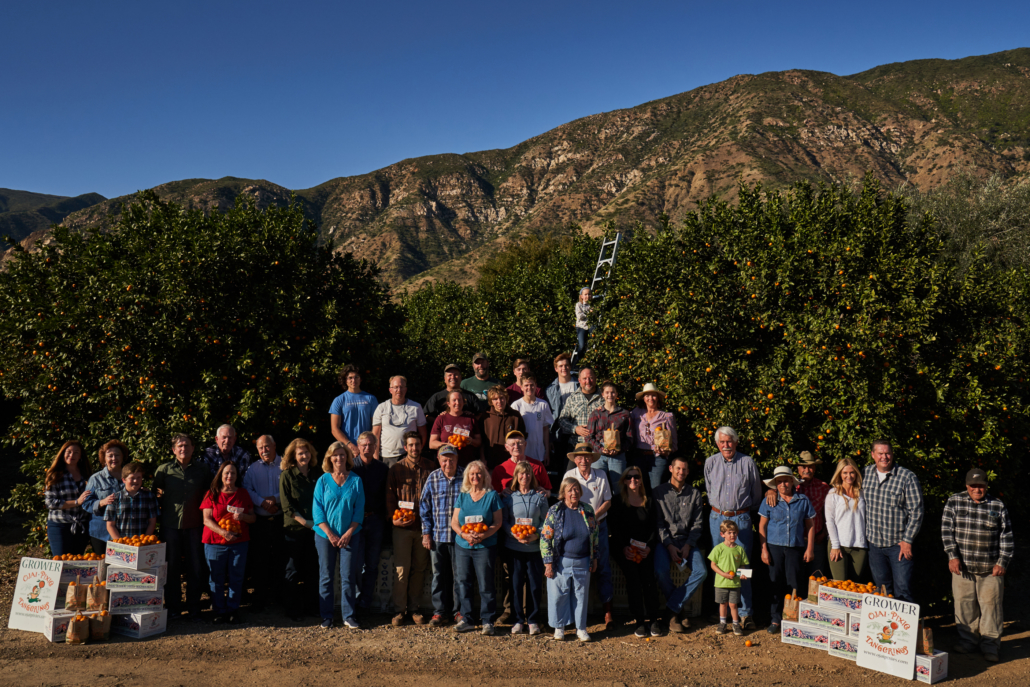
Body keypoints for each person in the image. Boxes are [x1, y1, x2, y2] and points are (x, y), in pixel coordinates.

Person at [942, 468, 1014, 662]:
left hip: (990, 569)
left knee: (991, 608)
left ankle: (990, 646)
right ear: (967, 486)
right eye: (973, 486)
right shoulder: (954, 502)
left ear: (986, 486)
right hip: (962, 568)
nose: (977, 489)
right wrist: (952, 556)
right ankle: (967, 642)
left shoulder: (997, 505)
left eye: (980, 486)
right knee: (964, 606)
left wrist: (1002, 562)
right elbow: (946, 531)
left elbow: (1006, 536)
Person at [704, 426, 761, 630]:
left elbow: (756, 493)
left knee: (743, 567)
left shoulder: (747, 462)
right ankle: (723, 613)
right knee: (718, 563)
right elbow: (709, 488)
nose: (726, 445)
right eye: (722, 442)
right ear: (717, 444)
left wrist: (744, 512)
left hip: (741, 518)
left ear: (736, 442)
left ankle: (745, 613)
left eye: (729, 441)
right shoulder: (710, 462)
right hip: (717, 518)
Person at [154, 434, 210, 621]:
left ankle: (194, 607)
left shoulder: (202, 470)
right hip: (170, 526)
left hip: (195, 525)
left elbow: (210, 495)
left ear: (193, 448)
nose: (183, 448)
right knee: (171, 569)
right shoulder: (164, 470)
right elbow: (155, 496)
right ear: (173, 449)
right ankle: (174, 607)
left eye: (186, 445)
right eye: (179, 446)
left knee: (195, 568)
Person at [862, 439, 924, 603]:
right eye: (880, 453)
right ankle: (885, 627)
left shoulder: (907, 477)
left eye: (887, 453)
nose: (884, 457)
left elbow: (916, 511)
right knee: (882, 591)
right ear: (873, 455)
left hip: (899, 545)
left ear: (892, 454)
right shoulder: (865, 474)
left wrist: (907, 540)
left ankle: (905, 627)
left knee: (903, 590)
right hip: (874, 545)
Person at [313, 441, 365, 630]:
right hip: (325, 536)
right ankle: (327, 616)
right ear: (329, 458)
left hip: (350, 535)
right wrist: (330, 534)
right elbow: (317, 512)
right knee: (326, 576)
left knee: (348, 576)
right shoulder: (322, 481)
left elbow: (359, 511)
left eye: (342, 454)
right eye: (335, 455)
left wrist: (349, 533)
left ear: (347, 457)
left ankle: (348, 616)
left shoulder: (356, 481)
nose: (339, 458)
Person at [758, 465, 816, 634]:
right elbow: (762, 527)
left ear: (792, 482)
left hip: (795, 547)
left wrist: (810, 548)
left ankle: (792, 618)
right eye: (780, 482)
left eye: (786, 481)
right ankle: (775, 619)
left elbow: (810, 526)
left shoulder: (803, 501)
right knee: (775, 582)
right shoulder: (769, 501)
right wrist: (764, 550)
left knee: (794, 583)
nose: (783, 484)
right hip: (774, 546)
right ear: (776, 484)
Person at [654, 456, 708, 633]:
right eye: (678, 468)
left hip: (687, 543)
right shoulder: (659, 492)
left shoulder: (694, 494)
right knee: (661, 571)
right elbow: (659, 524)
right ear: (670, 469)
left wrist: (688, 545)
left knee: (701, 572)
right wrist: (669, 545)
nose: (681, 472)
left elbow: (697, 524)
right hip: (665, 542)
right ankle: (679, 609)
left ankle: (671, 610)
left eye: (684, 469)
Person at [563, 442, 614, 628]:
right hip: (576, 529)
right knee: (575, 569)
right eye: (580, 457)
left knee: (602, 568)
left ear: (592, 459)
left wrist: (593, 516)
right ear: (575, 460)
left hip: (599, 526)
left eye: (587, 457)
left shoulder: (600, 475)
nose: (583, 460)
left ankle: (607, 611)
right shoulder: (569, 476)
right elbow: (564, 499)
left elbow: (608, 500)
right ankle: (571, 614)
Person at [541, 477, 598, 642]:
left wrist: (594, 558)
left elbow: (594, 537)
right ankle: (559, 627)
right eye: (570, 490)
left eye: (576, 489)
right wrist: (548, 563)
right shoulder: (556, 510)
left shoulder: (587, 510)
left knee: (581, 596)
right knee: (559, 595)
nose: (574, 493)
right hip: (561, 562)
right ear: (563, 493)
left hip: (583, 561)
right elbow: (545, 538)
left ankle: (581, 628)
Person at [386, 431, 435, 626]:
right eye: (411, 445)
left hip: (423, 527)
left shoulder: (431, 467)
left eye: (417, 444)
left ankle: (414, 609)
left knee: (419, 569)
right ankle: (399, 611)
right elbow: (389, 497)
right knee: (401, 569)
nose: (414, 448)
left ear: (421, 446)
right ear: (405, 447)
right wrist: (393, 519)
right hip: (402, 528)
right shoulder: (396, 468)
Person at [450, 460, 504, 635]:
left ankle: (488, 620)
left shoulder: (492, 495)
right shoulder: (463, 496)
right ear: (467, 477)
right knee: (463, 582)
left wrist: (483, 535)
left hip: (485, 545)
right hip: (463, 545)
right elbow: (454, 522)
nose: (475, 477)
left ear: (484, 476)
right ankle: (467, 618)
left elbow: (497, 522)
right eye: (472, 474)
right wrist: (464, 535)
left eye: (479, 473)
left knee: (485, 583)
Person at [610, 466, 662, 638]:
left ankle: (653, 619)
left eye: (637, 477)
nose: (633, 480)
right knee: (633, 577)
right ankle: (639, 620)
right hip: (624, 548)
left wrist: (649, 546)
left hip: (644, 548)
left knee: (648, 578)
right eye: (629, 477)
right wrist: (624, 548)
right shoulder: (617, 501)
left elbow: (654, 528)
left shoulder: (649, 501)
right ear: (624, 480)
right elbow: (615, 530)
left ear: (641, 479)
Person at [201, 461, 256, 624]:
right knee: (216, 578)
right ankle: (219, 610)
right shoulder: (212, 494)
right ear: (220, 475)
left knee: (236, 577)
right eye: (226, 473)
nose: (229, 476)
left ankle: (233, 610)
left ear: (237, 476)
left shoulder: (243, 494)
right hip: (215, 542)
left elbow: (253, 517)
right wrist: (224, 533)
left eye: (233, 473)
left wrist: (244, 517)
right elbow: (206, 519)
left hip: (239, 542)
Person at [419, 444, 464, 627]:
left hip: (460, 537)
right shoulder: (433, 478)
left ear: (457, 459)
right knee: (438, 575)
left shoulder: (466, 477)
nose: (448, 463)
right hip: (438, 536)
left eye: (451, 459)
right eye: (444, 459)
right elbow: (424, 508)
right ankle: (439, 612)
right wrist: (426, 533)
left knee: (459, 576)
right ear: (439, 460)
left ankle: (459, 612)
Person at [501, 462, 548, 635]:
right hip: (514, 547)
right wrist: (514, 535)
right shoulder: (509, 497)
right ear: (516, 476)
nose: (524, 477)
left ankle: (534, 620)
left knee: (535, 585)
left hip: (534, 548)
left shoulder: (540, 497)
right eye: (521, 473)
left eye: (528, 474)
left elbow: (546, 521)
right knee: (515, 584)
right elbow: (505, 521)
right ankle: (518, 620)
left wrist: (538, 534)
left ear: (532, 476)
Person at [279, 438, 321, 621]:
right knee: (293, 570)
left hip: (316, 529)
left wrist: (316, 524)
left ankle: (312, 607)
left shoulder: (318, 474)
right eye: (300, 453)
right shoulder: (286, 476)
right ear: (293, 456)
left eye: (306, 452)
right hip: (294, 530)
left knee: (313, 569)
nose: (304, 456)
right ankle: (293, 609)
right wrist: (306, 523)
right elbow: (287, 506)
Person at [242, 434, 283, 612]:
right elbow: (246, 489)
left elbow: (289, 489)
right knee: (260, 561)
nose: (264, 450)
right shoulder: (252, 469)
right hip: (259, 522)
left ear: (274, 446)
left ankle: (279, 597)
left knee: (280, 560)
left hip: (281, 519)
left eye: (267, 446)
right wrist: (262, 502)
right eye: (260, 448)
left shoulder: (285, 464)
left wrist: (274, 500)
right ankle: (260, 599)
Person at [351, 431, 389, 614]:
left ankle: (365, 602)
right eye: (363, 445)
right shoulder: (350, 468)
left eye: (370, 445)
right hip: (355, 522)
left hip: (376, 521)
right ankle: (356, 599)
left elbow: (387, 496)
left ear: (375, 447)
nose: (367, 448)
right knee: (357, 565)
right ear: (358, 447)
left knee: (372, 564)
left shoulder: (382, 469)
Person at [44, 440, 93, 556]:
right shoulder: (55, 475)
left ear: (80, 456)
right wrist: (77, 502)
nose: (72, 455)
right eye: (69, 452)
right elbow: (50, 503)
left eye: (76, 452)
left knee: (76, 564)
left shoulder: (87, 474)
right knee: (62, 562)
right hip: (60, 525)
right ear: (63, 453)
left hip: (81, 526)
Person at [824, 457, 868, 582]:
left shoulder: (862, 493)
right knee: (840, 585)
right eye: (845, 473)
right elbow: (830, 521)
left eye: (852, 472)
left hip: (859, 545)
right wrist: (835, 545)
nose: (849, 476)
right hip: (839, 545)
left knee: (855, 586)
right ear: (840, 474)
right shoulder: (833, 494)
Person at [586, 380, 634, 489]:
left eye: (612, 392)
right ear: (602, 394)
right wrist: (600, 449)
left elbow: (630, 438)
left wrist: (619, 449)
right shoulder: (596, 413)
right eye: (607, 392)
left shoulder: (625, 414)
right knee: (597, 486)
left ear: (617, 394)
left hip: (618, 455)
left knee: (618, 488)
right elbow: (589, 437)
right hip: (599, 455)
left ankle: (618, 506)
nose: (610, 395)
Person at [372, 375, 427, 467]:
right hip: (385, 457)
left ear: (406, 389)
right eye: (396, 387)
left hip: (408, 456)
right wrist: (375, 459)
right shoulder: (381, 408)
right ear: (390, 390)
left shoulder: (416, 407)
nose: (399, 390)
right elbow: (375, 435)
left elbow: (423, 434)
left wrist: (416, 453)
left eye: (401, 387)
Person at [83, 440, 127, 555]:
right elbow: (85, 503)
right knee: (103, 566)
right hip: (101, 532)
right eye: (110, 455)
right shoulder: (96, 479)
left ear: (123, 457)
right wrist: (101, 502)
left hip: (124, 531)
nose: (114, 458)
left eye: (117, 455)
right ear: (104, 458)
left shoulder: (129, 477)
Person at [631, 383, 677, 489]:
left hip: (658, 458)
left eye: (653, 395)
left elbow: (674, 444)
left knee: (656, 489)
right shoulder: (636, 413)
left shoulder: (666, 416)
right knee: (639, 489)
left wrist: (666, 451)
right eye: (647, 395)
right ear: (643, 398)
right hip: (639, 457)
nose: (650, 398)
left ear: (658, 398)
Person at [708, 521, 750, 636]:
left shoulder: (739, 549)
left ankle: (736, 624)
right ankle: (722, 623)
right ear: (722, 534)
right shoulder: (718, 548)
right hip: (721, 583)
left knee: (733, 604)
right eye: (729, 533)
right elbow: (713, 565)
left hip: (735, 583)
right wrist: (724, 574)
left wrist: (742, 574)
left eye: (734, 533)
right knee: (723, 604)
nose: (732, 535)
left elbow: (742, 564)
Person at [329, 364, 378, 457]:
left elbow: (376, 426)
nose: (353, 380)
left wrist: (368, 445)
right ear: (345, 380)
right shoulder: (339, 400)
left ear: (361, 379)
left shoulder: (371, 399)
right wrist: (351, 446)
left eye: (356, 377)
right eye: (350, 378)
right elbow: (334, 429)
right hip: (347, 450)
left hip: (367, 448)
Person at [557, 367, 603, 462]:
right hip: (576, 445)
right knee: (568, 475)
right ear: (579, 380)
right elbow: (562, 420)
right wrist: (575, 429)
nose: (588, 381)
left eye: (590, 378)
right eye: (584, 379)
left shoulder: (603, 398)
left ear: (595, 379)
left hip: (598, 447)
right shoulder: (572, 398)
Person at [104, 462, 158, 539]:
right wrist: (120, 542)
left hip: (141, 543)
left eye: (138, 477)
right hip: (121, 543)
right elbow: (110, 525)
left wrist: (145, 540)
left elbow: (152, 522)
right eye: (132, 478)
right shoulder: (115, 498)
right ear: (124, 480)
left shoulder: (149, 497)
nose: (136, 481)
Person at [478, 385, 526, 471]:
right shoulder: (485, 417)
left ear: (506, 398)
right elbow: (482, 442)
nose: (499, 401)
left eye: (502, 398)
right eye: (495, 399)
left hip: (511, 464)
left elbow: (522, 440)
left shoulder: (515, 416)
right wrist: (482, 459)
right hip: (489, 463)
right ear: (491, 401)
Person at [429, 390, 482, 467]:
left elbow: (479, 442)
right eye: (454, 400)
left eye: (460, 400)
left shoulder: (470, 418)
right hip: (446, 465)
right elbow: (432, 444)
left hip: (467, 465)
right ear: (448, 403)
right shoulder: (441, 419)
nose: (457, 403)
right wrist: (447, 445)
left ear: (463, 402)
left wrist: (471, 441)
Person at [510, 376, 552, 465]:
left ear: (536, 386)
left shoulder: (543, 405)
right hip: (522, 454)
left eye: (532, 385)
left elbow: (545, 429)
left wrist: (547, 452)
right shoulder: (516, 406)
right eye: (526, 385)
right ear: (521, 387)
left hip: (539, 454)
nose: (529, 388)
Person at [545, 353, 579, 446]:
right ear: (556, 369)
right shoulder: (550, 390)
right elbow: (548, 414)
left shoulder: (580, 385)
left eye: (566, 365)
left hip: (577, 431)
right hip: (558, 433)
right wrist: (550, 438)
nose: (564, 368)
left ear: (570, 367)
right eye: (560, 366)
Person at [572, 287, 592, 365]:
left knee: (593, 339)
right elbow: (580, 316)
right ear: (581, 296)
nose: (587, 296)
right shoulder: (579, 305)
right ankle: (578, 362)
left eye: (589, 294)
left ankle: (589, 357)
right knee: (582, 345)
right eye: (585, 294)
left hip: (590, 326)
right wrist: (589, 313)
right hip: (581, 327)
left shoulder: (593, 305)